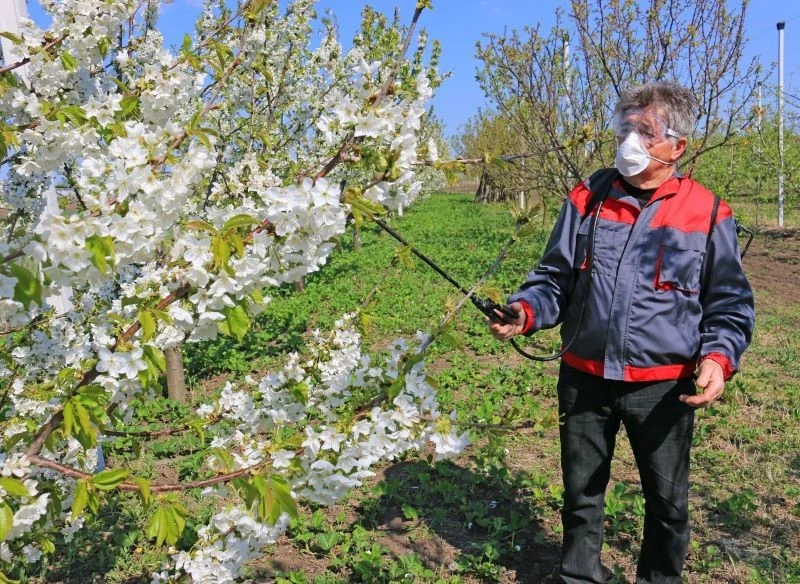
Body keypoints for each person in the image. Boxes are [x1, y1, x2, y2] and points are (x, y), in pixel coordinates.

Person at [488, 81, 754, 583]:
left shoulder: (708, 212)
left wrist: (718, 358)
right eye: (625, 128)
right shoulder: (588, 199)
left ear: (677, 146)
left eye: (645, 131)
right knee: (581, 495)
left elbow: (730, 303)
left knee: (668, 503)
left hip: (663, 388)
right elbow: (553, 279)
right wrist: (525, 312)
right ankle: (580, 578)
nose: (628, 141)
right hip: (584, 377)